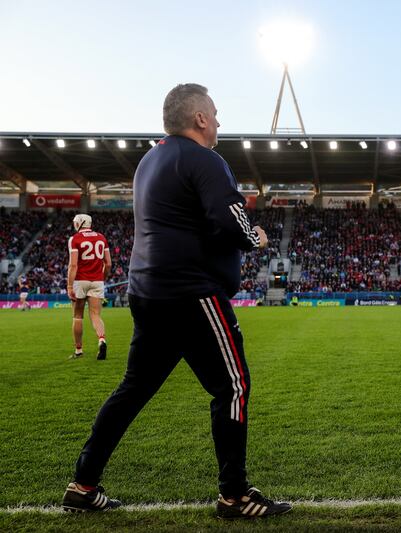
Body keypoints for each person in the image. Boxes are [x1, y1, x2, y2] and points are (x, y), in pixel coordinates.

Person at [62, 83, 291, 520]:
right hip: (192, 293)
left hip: (147, 292)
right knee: (234, 387)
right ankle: (234, 495)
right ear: (200, 119)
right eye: (216, 114)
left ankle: (83, 483)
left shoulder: (150, 160)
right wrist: (256, 237)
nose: (220, 121)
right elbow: (230, 220)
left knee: (133, 389)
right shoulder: (205, 159)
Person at [67, 214, 111, 360]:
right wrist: (102, 278)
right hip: (97, 281)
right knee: (96, 315)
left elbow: (73, 265)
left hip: (80, 280)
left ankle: (78, 350)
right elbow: (108, 263)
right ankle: (102, 339)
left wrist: (69, 285)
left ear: (80, 223)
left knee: (78, 317)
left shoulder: (75, 239)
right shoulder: (101, 237)